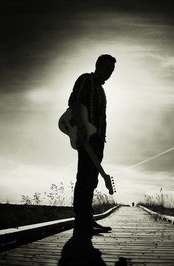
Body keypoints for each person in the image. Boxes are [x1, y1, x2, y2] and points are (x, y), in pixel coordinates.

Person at [68, 54, 116, 236]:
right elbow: (74, 102)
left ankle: (87, 219)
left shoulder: (101, 91)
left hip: (99, 140)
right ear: (97, 66)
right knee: (85, 178)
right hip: (87, 137)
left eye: (112, 70)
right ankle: (81, 221)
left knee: (92, 180)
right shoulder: (86, 79)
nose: (109, 72)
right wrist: (80, 127)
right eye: (106, 68)